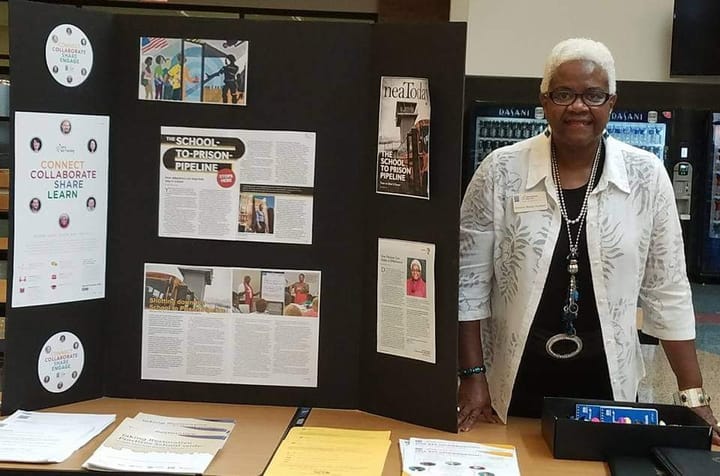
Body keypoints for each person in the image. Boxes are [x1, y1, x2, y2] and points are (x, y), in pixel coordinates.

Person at [457, 38, 720, 444]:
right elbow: (467, 285)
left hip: (609, 386)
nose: (578, 106)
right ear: (544, 101)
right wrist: (473, 376)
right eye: (564, 94)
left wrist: (693, 397)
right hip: (510, 384)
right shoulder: (499, 173)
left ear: (611, 103)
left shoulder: (646, 178)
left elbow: (667, 290)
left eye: (593, 95)